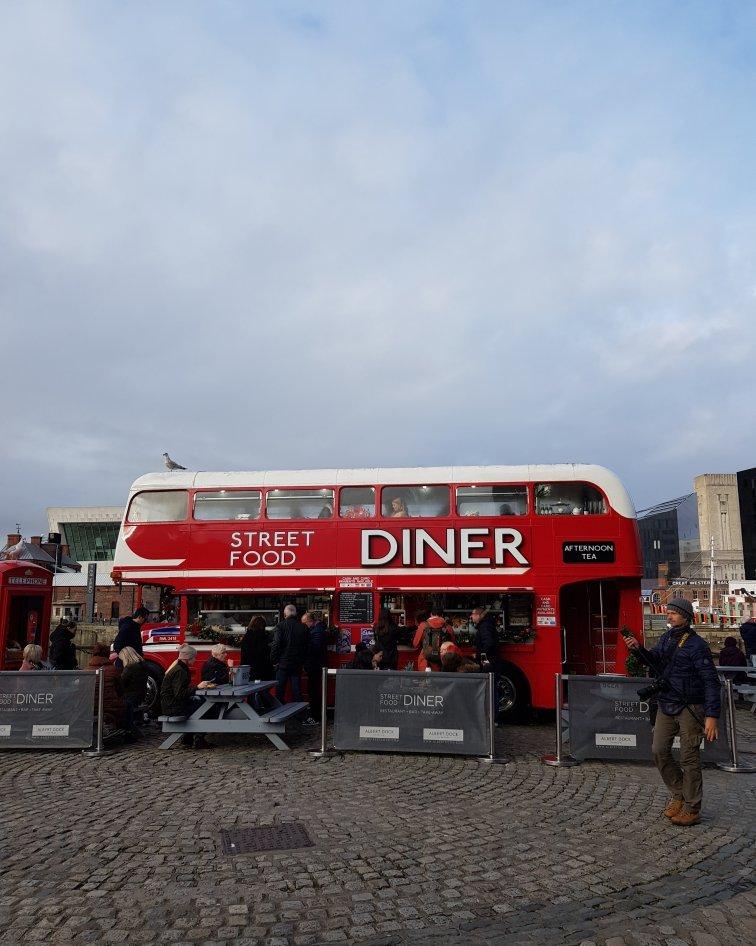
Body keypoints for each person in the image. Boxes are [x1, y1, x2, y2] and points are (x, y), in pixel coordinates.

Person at [625, 598, 721, 827]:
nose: (669, 616)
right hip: (666, 702)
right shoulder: (666, 637)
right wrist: (638, 649)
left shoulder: (697, 645)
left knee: (689, 757)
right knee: (658, 750)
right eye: (668, 612)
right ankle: (679, 793)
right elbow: (654, 661)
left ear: (685, 616)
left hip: (690, 705)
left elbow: (711, 681)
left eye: (674, 613)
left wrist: (712, 716)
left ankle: (692, 807)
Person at [160, 644, 213, 748]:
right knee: (207, 706)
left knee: (202, 702)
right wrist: (197, 687)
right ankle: (199, 739)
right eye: (194, 657)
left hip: (170, 705)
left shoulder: (178, 668)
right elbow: (180, 694)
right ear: (188, 658)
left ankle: (188, 738)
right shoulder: (180, 671)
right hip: (174, 708)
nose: (195, 660)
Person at [271, 604, 309, 703]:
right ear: (296, 614)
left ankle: (279, 711)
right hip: (297, 664)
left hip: (282, 664)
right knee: (297, 691)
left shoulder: (280, 626)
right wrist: (303, 662)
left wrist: (274, 660)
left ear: (284, 614)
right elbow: (307, 646)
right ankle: (300, 711)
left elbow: (276, 644)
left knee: (280, 691)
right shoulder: (303, 627)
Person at [87, 643, 126, 731]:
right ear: (107, 654)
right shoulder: (113, 670)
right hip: (109, 707)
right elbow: (120, 690)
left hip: (90, 706)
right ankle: (127, 730)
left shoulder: (86, 670)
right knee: (127, 705)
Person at [303, 611, 328, 726]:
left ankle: (315, 716)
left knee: (314, 691)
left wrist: (305, 645)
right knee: (314, 691)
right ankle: (316, 715)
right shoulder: (317, 629)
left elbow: (315, 648)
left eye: (304, 623)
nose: (304, 626)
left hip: (315, 665)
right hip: (316, 665)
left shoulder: (317, 631)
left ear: (310, 621)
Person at [119, 647, 149, 729]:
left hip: (131, 697)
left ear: (126, 657)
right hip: (141, 695)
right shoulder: (142, 665)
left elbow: (121, 683)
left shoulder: (130, 668)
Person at [240, 616, 274, 680]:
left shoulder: (247, 636)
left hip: (249, 669)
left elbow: (244, 654)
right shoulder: (264, 637)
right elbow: (265, 652)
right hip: (263, 670)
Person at [472, 607, 500, 676]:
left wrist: (479, 655)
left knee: (487, 676)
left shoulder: (485, 626)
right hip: (489, 658)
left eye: (473, 614)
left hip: (488, 658)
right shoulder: (485, 625)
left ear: (478, 615)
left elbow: (488, 643)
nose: (471, 616)